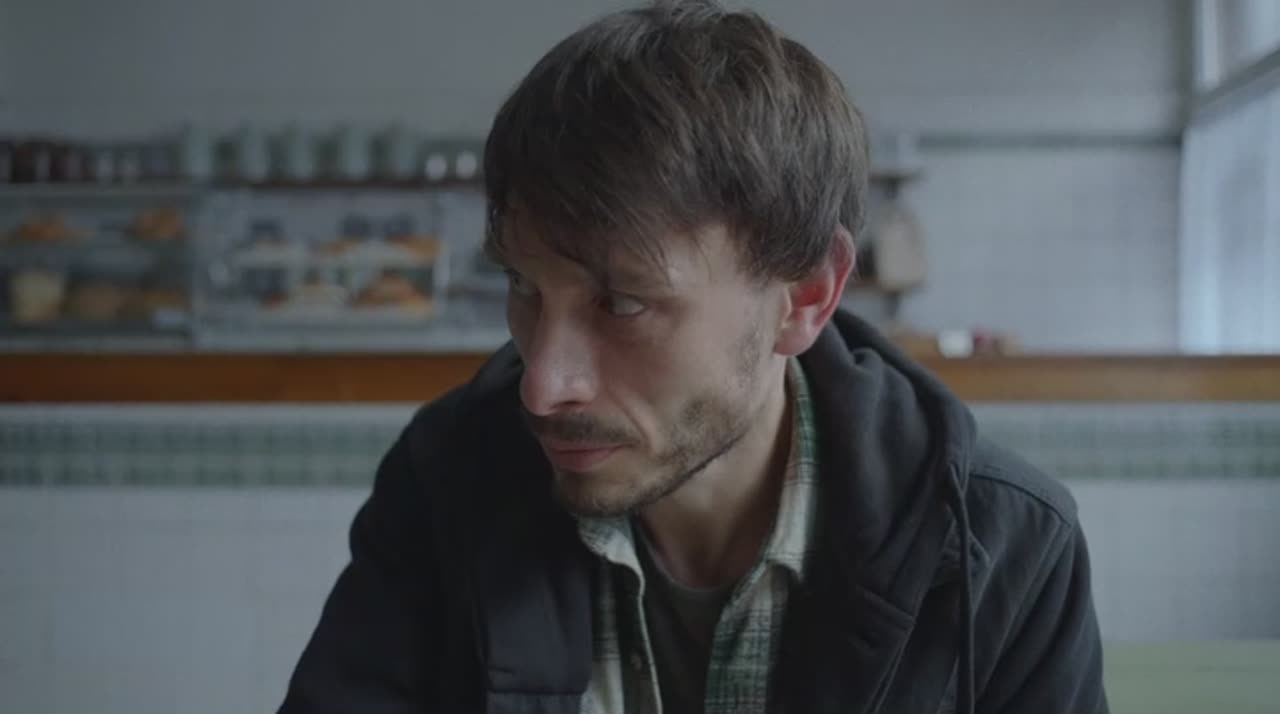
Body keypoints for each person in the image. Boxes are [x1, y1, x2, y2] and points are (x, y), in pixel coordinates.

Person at [279, 2, 1108, 713]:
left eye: (622, 303)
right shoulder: (446, 483)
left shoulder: (1004, 550)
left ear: (806, 295)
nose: (542, 383)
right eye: (524, 287)